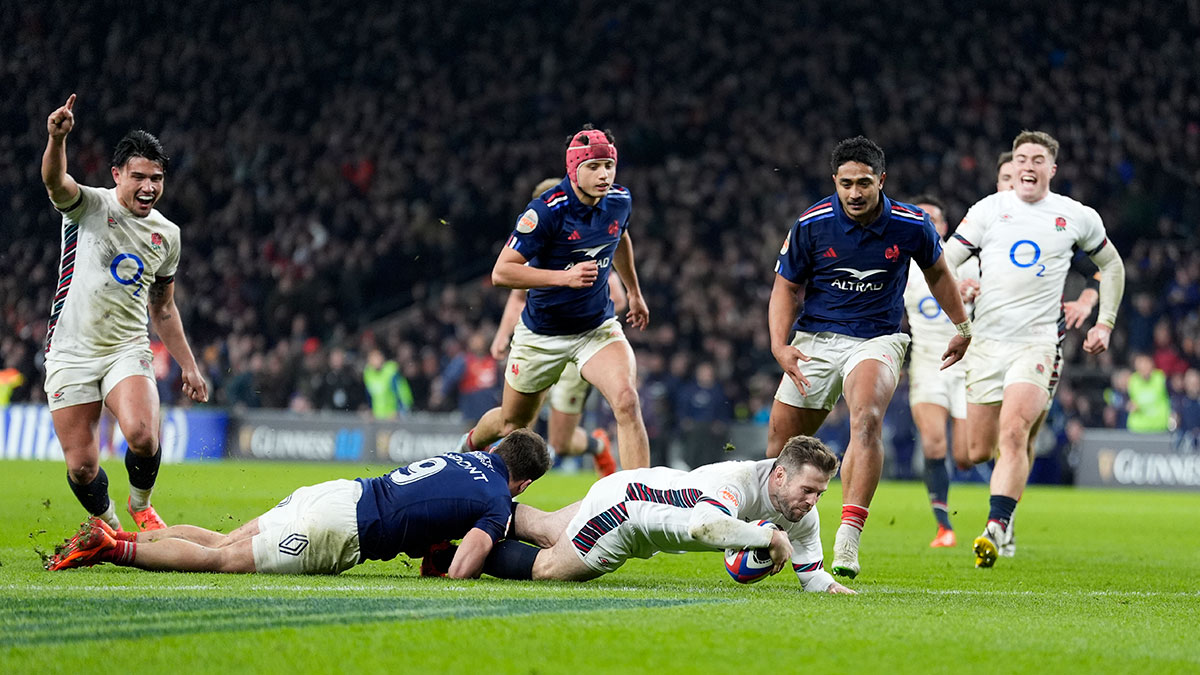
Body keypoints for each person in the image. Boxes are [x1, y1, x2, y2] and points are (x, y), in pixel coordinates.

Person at [766, 136, 972, 579]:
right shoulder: (811, 224)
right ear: (834, 182)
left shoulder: (911, 223)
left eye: (863, 183)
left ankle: (848, 536)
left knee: (866, 418)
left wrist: (962, 327)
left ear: (881, 180)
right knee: (779, 450)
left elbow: (938, 273)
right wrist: (780, 345)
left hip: (878, 338)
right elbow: (785, 287)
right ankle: (770, 533)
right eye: (845, 183)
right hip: (816, 339)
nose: (854, 193)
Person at [943, 130, 1125, 568]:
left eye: (1037, 159)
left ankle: (996, 526)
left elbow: (1112, 265)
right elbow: (944, 260)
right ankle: (1005, 512)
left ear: (1051, 168)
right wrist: (960, 288)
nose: (1028, 165)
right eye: (1022, 157)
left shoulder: (1074, 216)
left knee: (1014, 432)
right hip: (987, 343)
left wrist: (1104, 321)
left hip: (1038, 341)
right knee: (976, 451)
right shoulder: (988, 210)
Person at [47, 429, 551, 578]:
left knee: (221, 540)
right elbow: (463, 569)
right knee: (221, 561)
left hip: (338, 491)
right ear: (524, 483)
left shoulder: (460, 459)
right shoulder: (496, 500)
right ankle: (113, 551)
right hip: (341, 528)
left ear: (493, 451)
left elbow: (429, 504)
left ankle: (120, 535)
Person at [40, 94, 209, 533]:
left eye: (156, 178)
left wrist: (189, 366)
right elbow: (56, 183)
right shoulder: (91, 206)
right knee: (81, 467)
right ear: (117, 175)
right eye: (138, 177)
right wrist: (57, 139)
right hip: (70, 350)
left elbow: (164, 308)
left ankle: (141, 504)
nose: (149, 187)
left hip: (125, 347)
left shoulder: (167, 235)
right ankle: (109, 525)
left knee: (143, 434)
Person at [460, 125, 652, 470]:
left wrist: (635, 293)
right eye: (593, 167)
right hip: (543, 335)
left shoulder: (620, 201)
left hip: (596, 329)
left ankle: (641, 502)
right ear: (574, 169)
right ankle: (468, 444)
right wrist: (564, 277)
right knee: (510, 424)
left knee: (626, 401)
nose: (604, 174)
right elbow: (502, 272)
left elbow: (620, 237)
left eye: (608, 165)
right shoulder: (546, 211)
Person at [471, 435, 855, 594]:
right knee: (548, 567)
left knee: (542, 527)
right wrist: (769, 536)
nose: (812, 501)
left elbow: (811, 574)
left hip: (632, 490)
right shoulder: (735, 479)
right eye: (808, 490)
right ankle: (456, 552)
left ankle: (474, 512)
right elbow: (704, 526)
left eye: (820, 493)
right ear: (780, 474)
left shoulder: (802, 511)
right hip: (625, 513)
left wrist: (830, 588)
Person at [485, 178, 624, 477]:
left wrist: (588, 311)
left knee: (560, 442)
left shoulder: (587, 251)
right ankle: (502, 477)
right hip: (541, 339)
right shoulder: (535, 253)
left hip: (581, 344)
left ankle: (598, 446)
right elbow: (516, 297)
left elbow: (619, 298)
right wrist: (502, 334)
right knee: (520, 423)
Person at [902, 195, 977, 548]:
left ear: (945, 226)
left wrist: (979, 292)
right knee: (934, 443)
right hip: (928, 365)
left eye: (933, 218)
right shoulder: (904, 266)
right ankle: (944, 527)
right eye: (921, 217)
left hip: (967, 366)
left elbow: (994, 300)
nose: (928, 223)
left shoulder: (968, 263)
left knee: (966, 456)